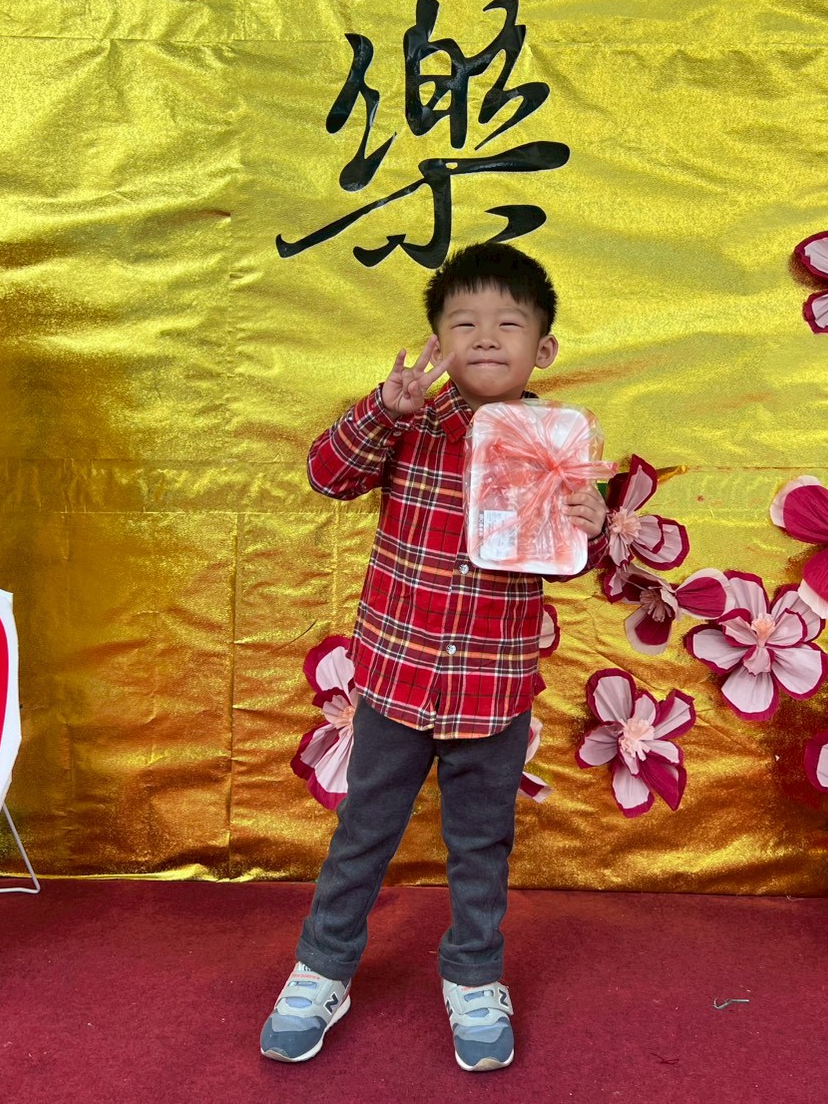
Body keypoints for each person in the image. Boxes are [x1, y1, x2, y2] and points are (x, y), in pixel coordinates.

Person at [260, 241, 609, 1072]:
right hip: (396, 678)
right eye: (463, 324)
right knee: (363, 833)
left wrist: (592, 527)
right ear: (438, 340)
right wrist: (382, 410)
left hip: (493, 688)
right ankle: (322, 968)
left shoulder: (559, 443)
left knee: (482, 846)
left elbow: (568, 560)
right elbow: (327, 475)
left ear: (543, 348)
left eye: (507, 324)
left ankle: (474, 977)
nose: (485, 337)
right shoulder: (410, 420)